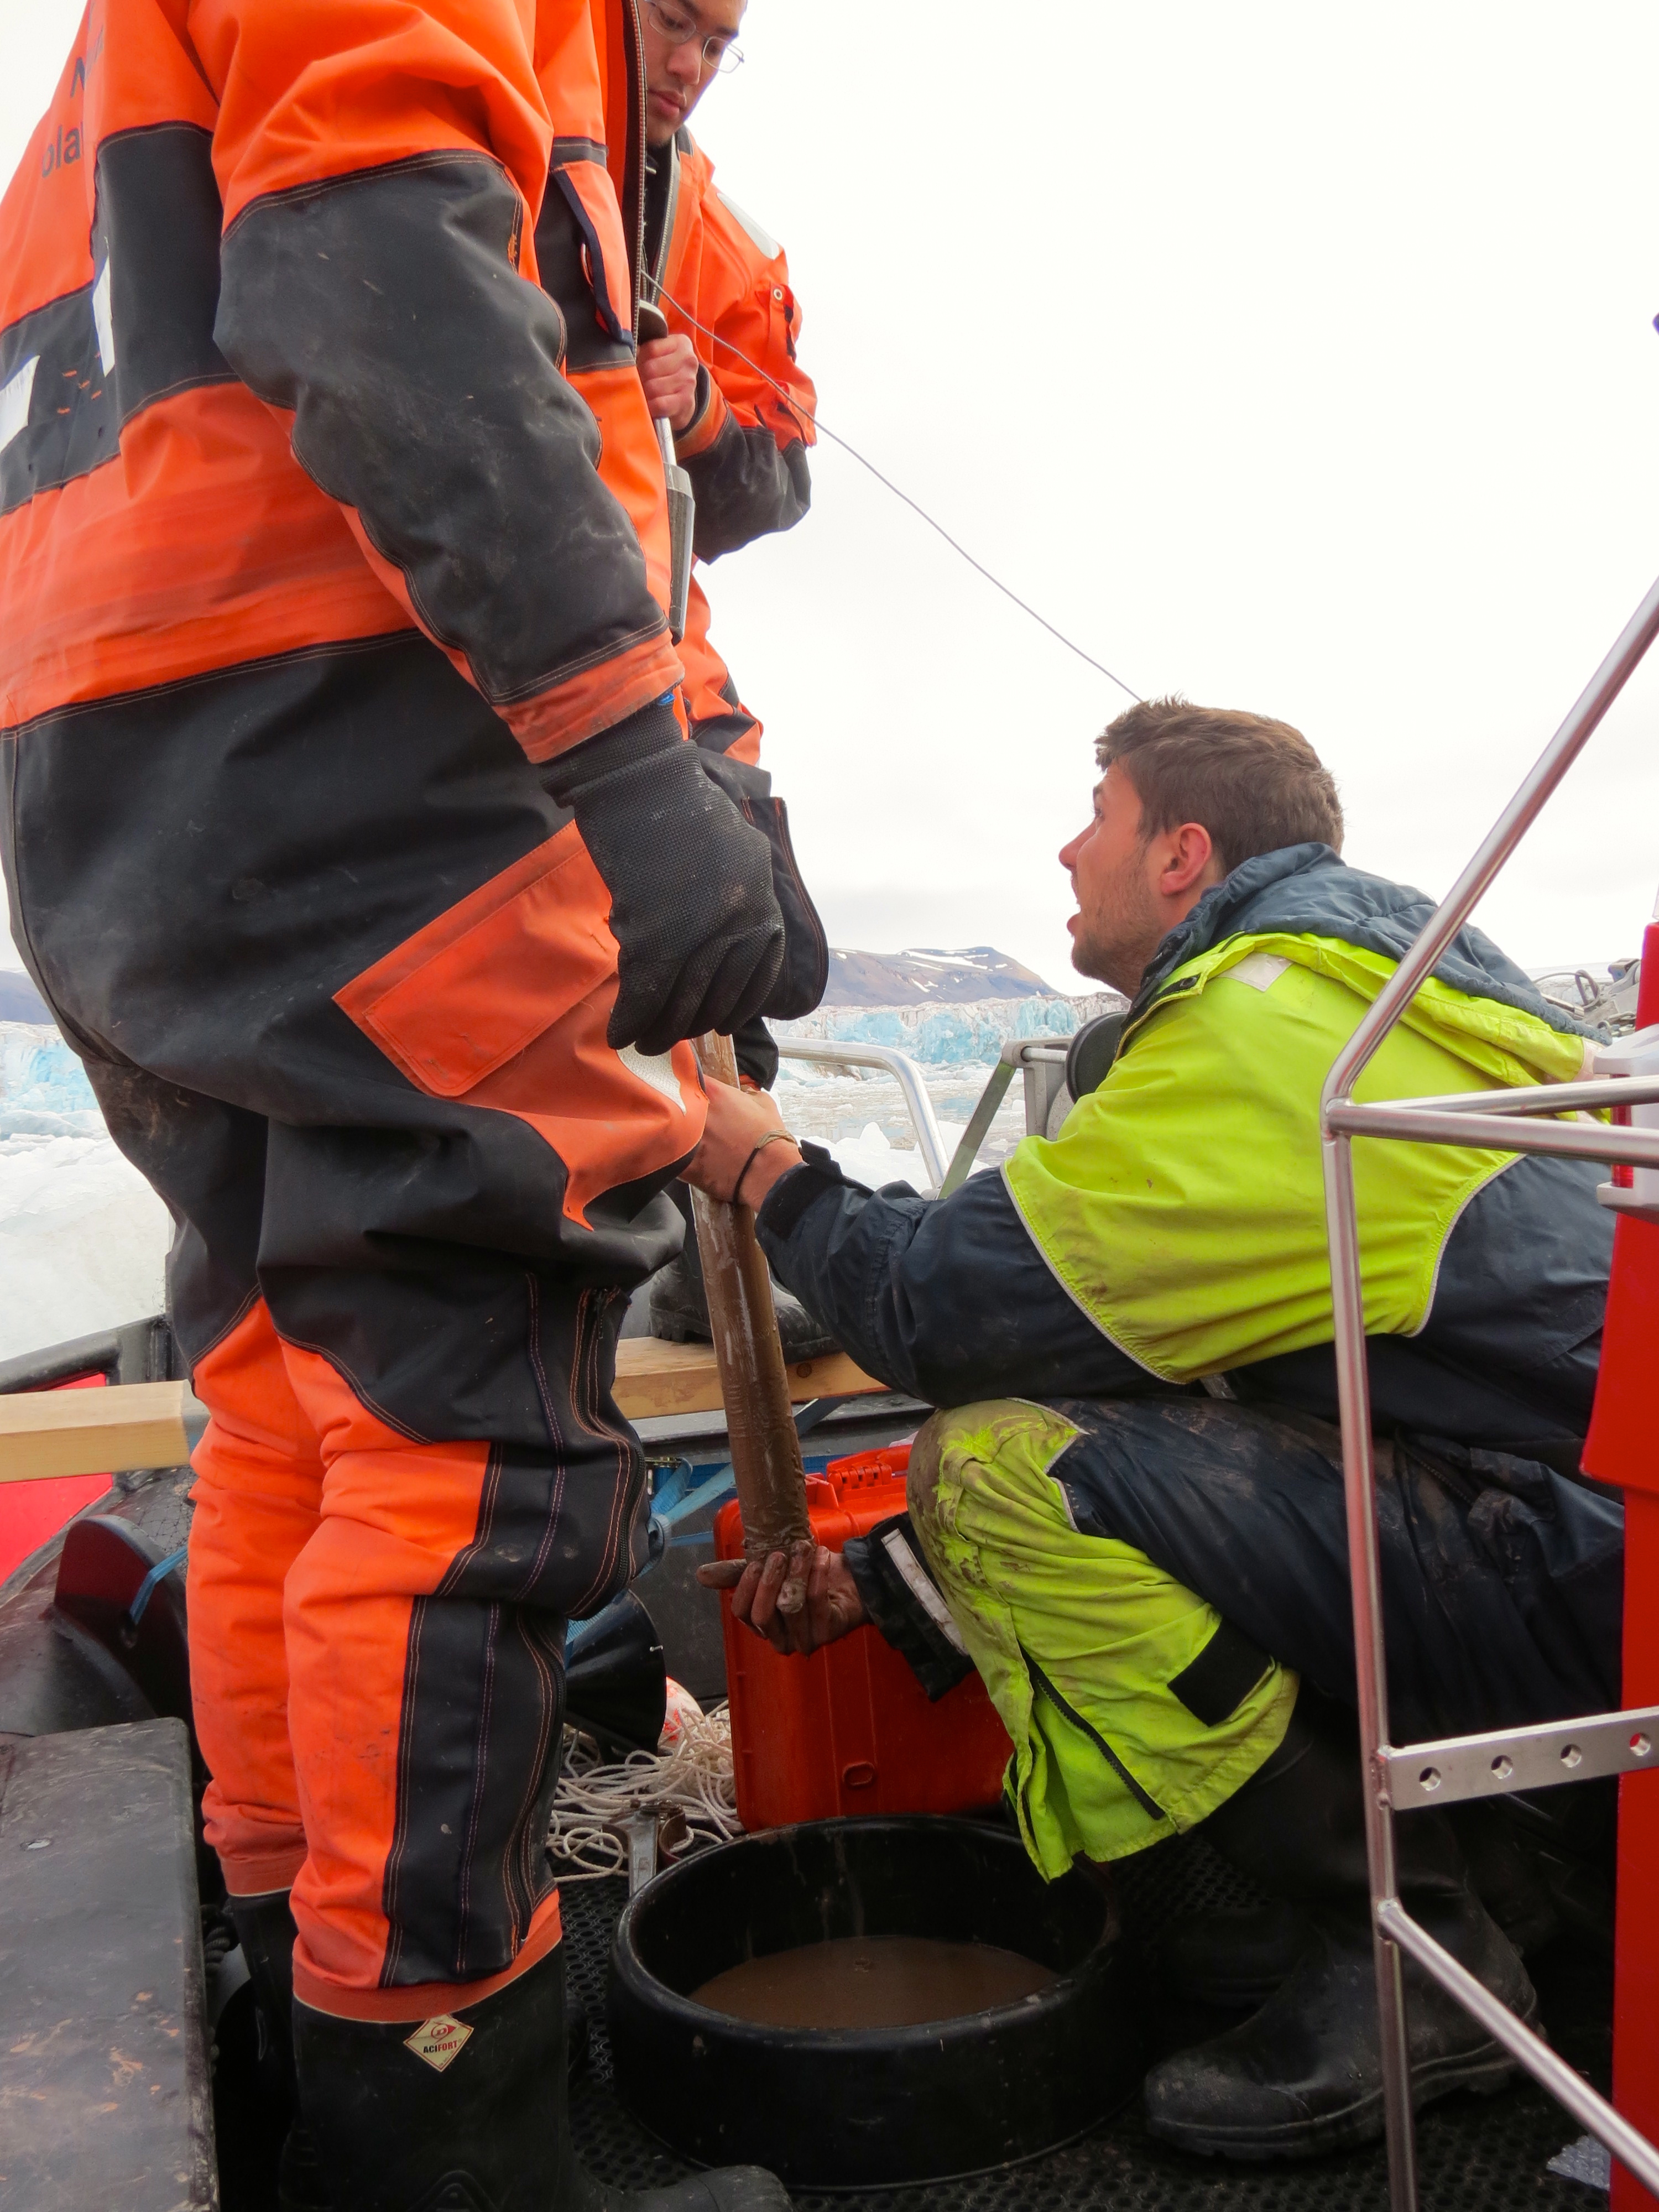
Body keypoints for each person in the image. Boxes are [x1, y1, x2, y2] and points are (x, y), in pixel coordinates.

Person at [0, 7, 796, 2209]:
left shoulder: (135, 83)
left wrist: (718, 771)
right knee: (467, 1455)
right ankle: (454, 2135)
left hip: (119, 778)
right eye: (689, 18)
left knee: (292, 1402)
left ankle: (299, 1988)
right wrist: (630, 761)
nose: (695, 62)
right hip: (375, 741)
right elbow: (375, 276)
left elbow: (612, 444)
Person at [687, 698, 1623, 2162]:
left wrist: (771, 1178)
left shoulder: (1267, 1033)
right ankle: (1489, 1881)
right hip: (1574, 1522)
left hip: (1571, 1567)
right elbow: (1172, 1388)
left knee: (988, 1467)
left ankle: (1412, 1959)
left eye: (1098, 818)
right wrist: (880, 1580)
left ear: (1183, 853)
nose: (1068, 852)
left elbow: (948, 1310)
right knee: (1066, 1425)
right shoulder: (1383, 991)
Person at [625, 0, 833, 1354]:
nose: (691, 66)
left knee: (741, 943)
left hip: (657, 665)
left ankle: (722, 1261)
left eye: (719, 40)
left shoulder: (712, 235)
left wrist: (701, 409)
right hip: (444, 666)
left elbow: (782, 475)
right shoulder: (459, 122)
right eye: (670, 23)